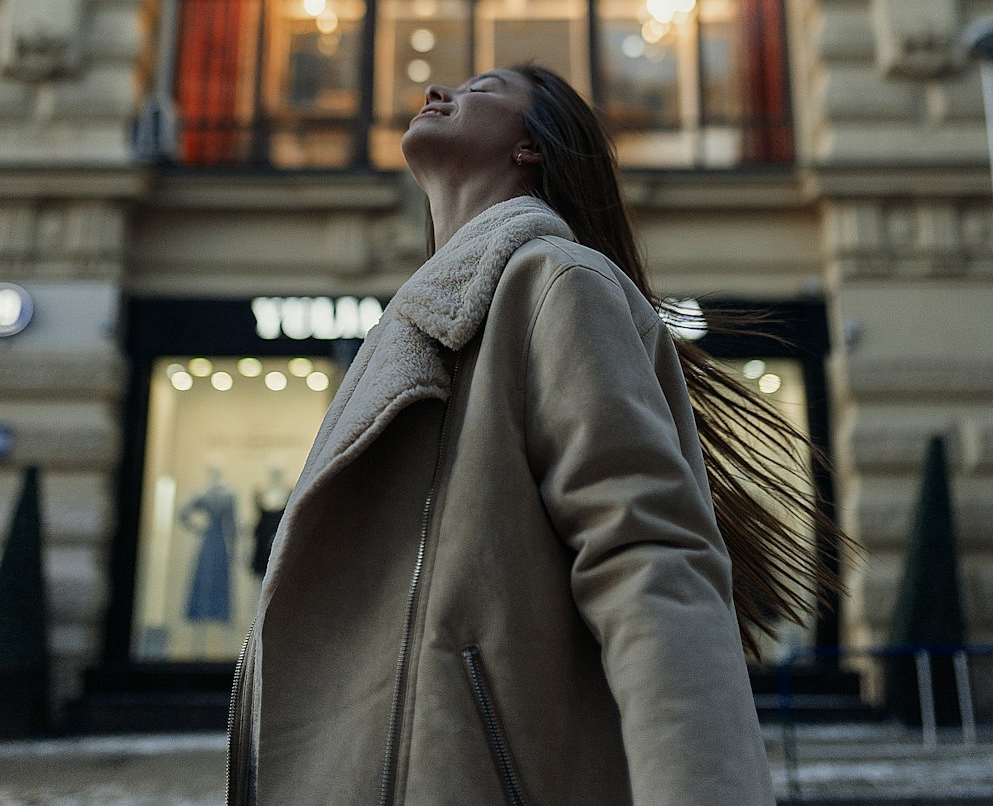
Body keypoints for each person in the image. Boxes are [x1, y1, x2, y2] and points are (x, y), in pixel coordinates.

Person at [228, 65, 838, 806]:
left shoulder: (556, 281)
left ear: (531, 147)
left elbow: (648, 558)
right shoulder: (416, 326)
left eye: (482, 86)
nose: (436, 92)